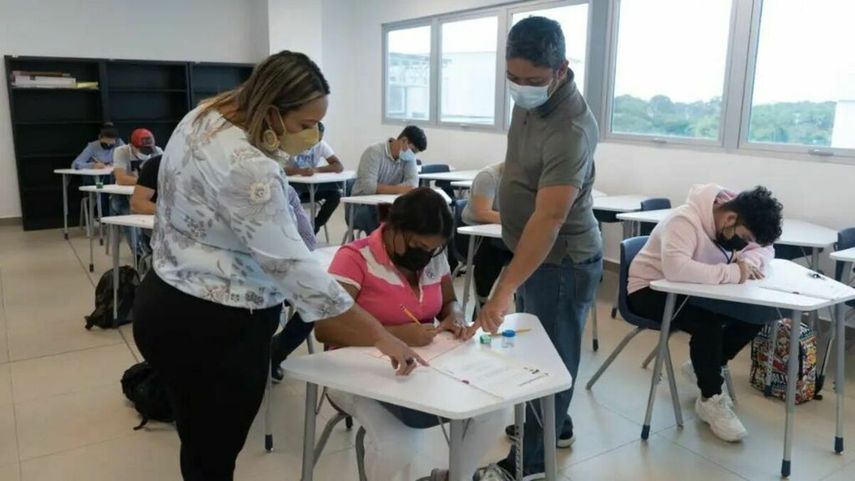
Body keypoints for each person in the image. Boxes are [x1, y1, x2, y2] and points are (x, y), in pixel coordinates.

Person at [132, 51, 424, 481]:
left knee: (200, 442)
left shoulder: (204, 115)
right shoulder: (248, 169)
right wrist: (382, 337)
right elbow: (297, 272)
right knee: (214, 448)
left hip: (165, 298)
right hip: (214, 325)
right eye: (305, 125)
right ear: (270, 110)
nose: (311, 136)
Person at [474, 17, 603, 480]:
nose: (521, 88)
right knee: (537, 353)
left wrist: (505, 287)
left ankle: (528, 464)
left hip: (561, 261)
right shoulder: (530, 101)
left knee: (547, 363)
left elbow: (549, 220)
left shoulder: (570, 129)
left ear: (561, 69)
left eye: (532, 80)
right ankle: (557, 427)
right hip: (531, 254)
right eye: (513, 78)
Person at [314, 188, 503, 481]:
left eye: (433, 249)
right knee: (398, 445)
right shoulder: (355, 257)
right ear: (395, 228)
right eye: (418, 245)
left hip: (421, 370)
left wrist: (455, 315)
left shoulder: (431, 258)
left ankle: (457, 477)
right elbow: (325, 326)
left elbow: (448, 301)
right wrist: (393, 334)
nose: (424, 256)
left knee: (493, 411)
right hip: (356, 375)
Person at [628, 184, 783, 442]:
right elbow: (677, 270)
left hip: (692, 291)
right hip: (649, 291)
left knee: (758, 314)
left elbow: (766, 250)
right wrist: (734, 272)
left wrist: (748, 262)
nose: (742, 244)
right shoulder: (684, 221)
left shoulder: (734, 214)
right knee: (708, 325)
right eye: (743, 238)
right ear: (730, 219)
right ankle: (710, 399)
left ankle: (704, 365)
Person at [350, 125, 425, 233]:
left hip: (388, 204)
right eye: (413, 150)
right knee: (382, 215)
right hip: (361, 207)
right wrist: (400, 189)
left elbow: (413, 184)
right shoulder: (374, 152)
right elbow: (368, 187)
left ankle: (402, 247)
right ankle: (382, 247)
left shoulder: (408, 158)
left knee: (414, 213)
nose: (413, 155)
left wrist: (383, 188)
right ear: (403, 141)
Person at [461, 162, 512, 306]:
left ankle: (511, 296)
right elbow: (482, 212)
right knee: (495, 248)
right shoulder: (488, 177)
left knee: (529, 247)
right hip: (471, 232)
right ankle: (481, 301)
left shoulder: (522, 181)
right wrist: (515, 220)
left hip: (499, 232)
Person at [282, 121, 344, 233]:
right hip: (294, 186)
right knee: (292, 197)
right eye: (315, 138)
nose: (316, 142)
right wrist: (300, 171)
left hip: (312, 186)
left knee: (336, 194)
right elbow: (279, 168)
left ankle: (315, 226)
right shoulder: (292, 144)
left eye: (320, 139)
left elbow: (338, 166)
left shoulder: (321, 145)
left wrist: (316, 170)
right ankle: (296, 231)